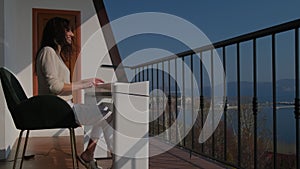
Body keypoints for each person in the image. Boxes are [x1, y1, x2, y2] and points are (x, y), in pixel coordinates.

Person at [35, 17, 112, 169]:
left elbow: (57, 85)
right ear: (57, 31)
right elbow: (55, 87)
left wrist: (87, 81)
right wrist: (84, 84)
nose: (72, 34)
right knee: (109, 112)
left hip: (61, 107)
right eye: (68, 30)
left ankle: (89, 155)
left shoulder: (54, 54)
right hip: (59, 111)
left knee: (104, 111)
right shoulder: (48, 52)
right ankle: (115, 161)